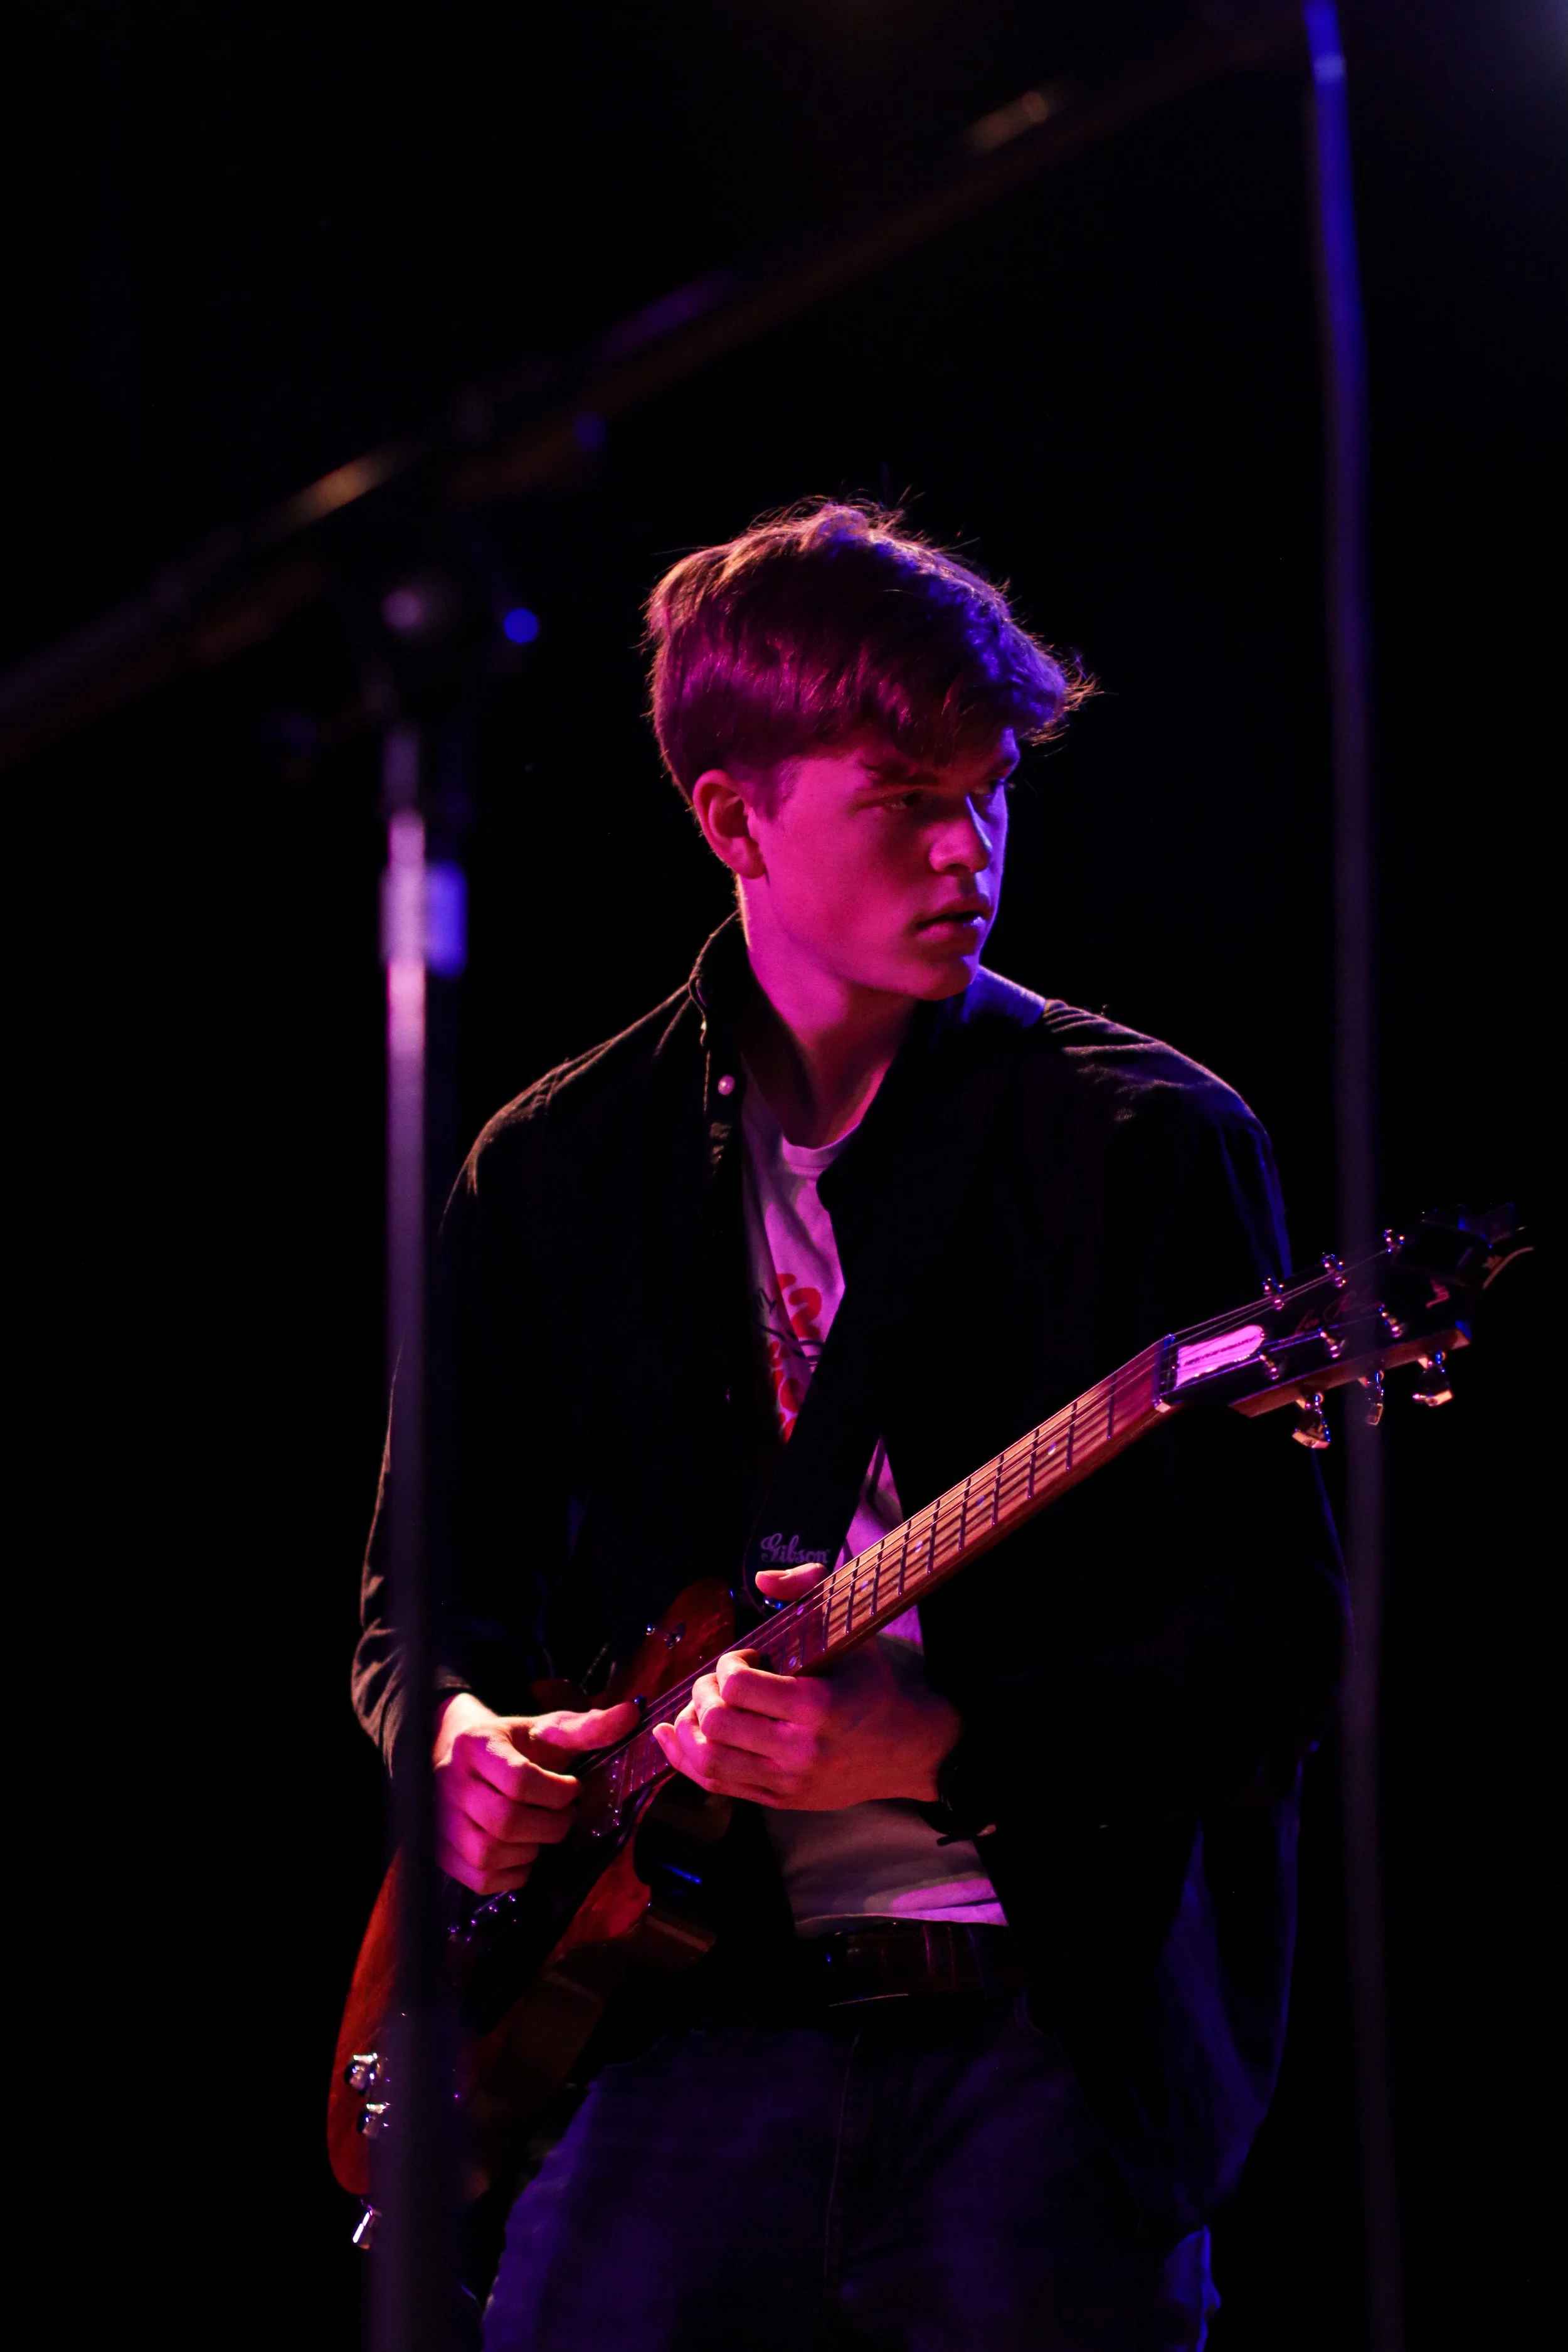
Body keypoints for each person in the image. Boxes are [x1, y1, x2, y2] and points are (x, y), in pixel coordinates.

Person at [354, 501, 1348, 2351]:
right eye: (904, 798)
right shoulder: (555, 1167)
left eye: (991, 792)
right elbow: (424, 1605)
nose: (969, 847)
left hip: (1038, 2040)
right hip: (667, 2026)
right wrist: (459, 1740)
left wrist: (943, 1739)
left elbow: (1276, 1656)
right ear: (734, 819)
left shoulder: (1146, 1142)